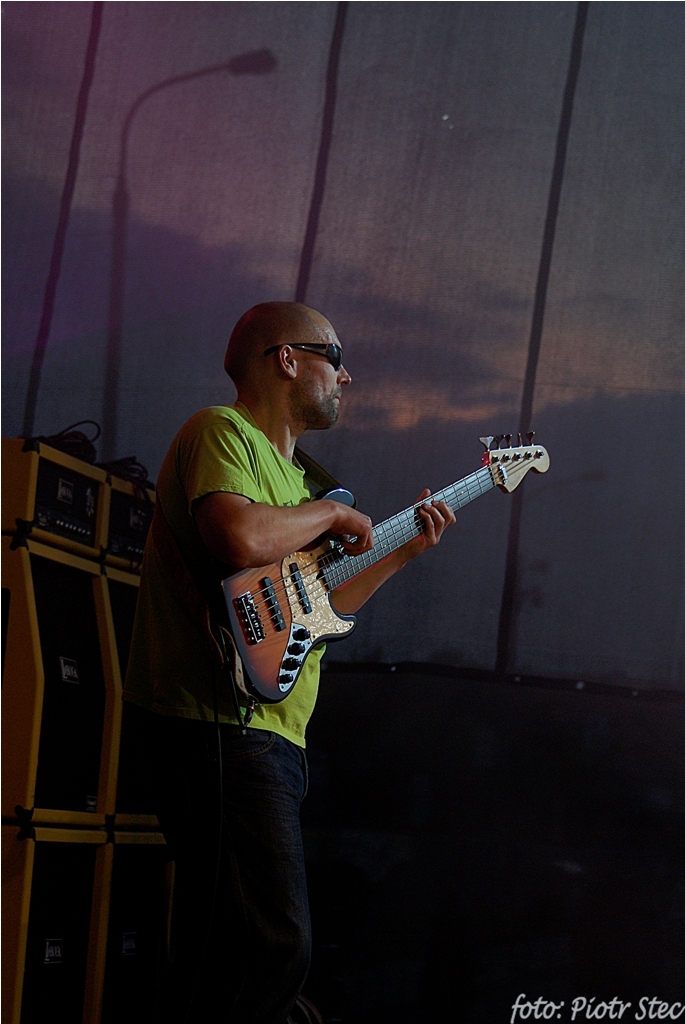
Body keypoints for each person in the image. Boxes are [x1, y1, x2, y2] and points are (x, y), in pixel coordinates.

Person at [122, 301, 456, 1023]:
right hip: (219, 724)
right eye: (335, 359)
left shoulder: (305, 483)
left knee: (226, 949)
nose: (346, 377)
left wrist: (403, 549)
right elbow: (239, 537)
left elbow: (322, 605)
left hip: (274, 733)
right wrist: (334, 516)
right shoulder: (222, 431)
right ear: (287, 359)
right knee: (274, 946)